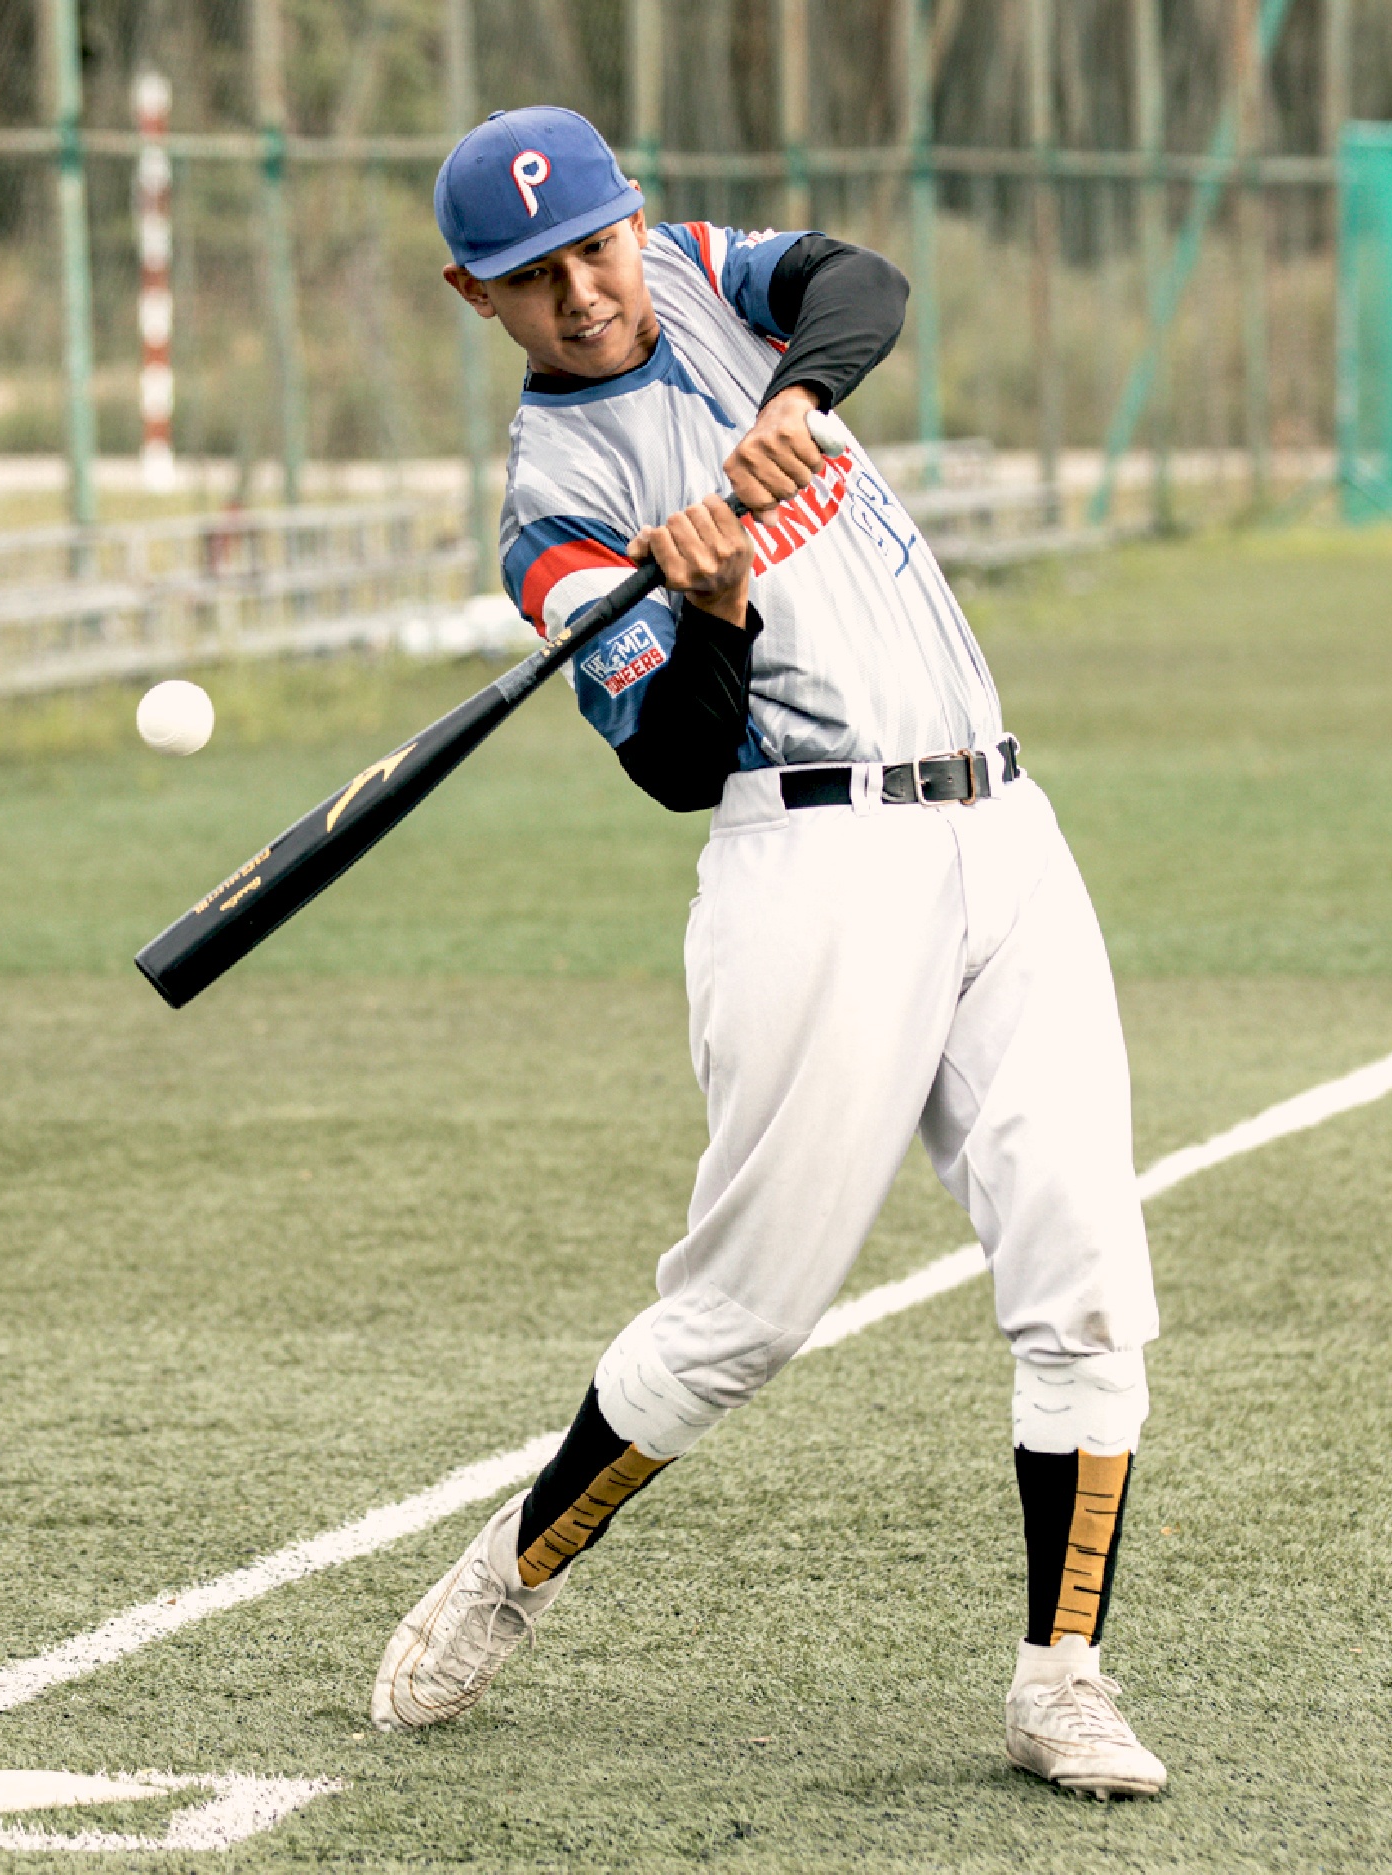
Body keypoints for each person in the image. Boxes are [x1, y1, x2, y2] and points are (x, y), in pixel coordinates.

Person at [369, 108, 1166, 1802]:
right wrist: (710, 607)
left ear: (633, 221)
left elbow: (859, 283)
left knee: (1087, 1268)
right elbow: (672, 764)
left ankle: (1062, 1677)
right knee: (741, 1317)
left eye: (593, 246)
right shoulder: (553, 512)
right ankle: (511, 1566)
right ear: (473, 295)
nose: (585, 291)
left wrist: (795, 400)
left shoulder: (692, 272)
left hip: (1000, 822)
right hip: (810, 862)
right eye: (533, 276)